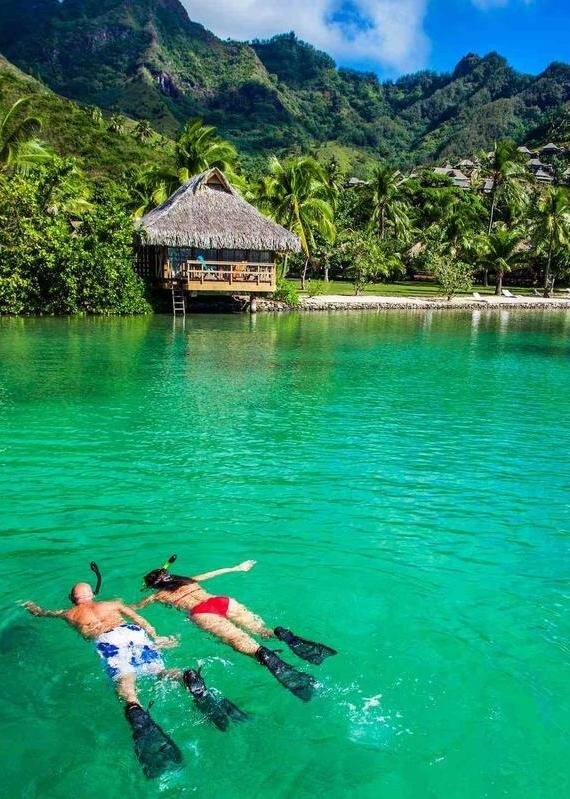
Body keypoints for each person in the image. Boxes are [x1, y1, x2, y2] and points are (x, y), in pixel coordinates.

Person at [24, 567, 247, 777]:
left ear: (73, 599)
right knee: (159, 670)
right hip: (133, 633)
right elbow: (139, 619)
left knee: (125, 681)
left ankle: (135, 708)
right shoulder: (113, 604)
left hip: (107, 641)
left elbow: (42, 613)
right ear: (92, 593)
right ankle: (184, 677)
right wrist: (156, 636)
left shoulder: (68, 613)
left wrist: (33, 608)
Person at [137, 557, 337, 703]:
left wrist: (141, 599)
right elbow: (216, 572)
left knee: (241, 642)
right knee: (261, 630)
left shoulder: (158, 597)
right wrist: (238, 567)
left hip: (201, 612)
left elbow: (136, 608)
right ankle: (279, 634)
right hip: (220, 601)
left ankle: (264, 655)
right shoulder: (189, 580)